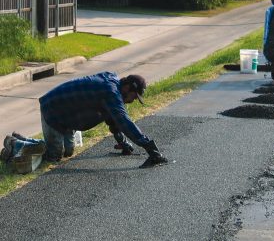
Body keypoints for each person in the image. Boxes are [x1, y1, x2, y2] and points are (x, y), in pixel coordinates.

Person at [1, 72, 168, 169]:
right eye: (134, 96)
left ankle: (22, 140)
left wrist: (124, 144)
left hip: (67, 117)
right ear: (127, 88)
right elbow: (124, 121)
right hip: (52, 109)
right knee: (54, 157)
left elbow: (113, 119)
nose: (132, 101)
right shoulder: (110, 92)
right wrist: (150, 148)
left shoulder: (113, 84)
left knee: (68, 152)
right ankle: (15, 145)